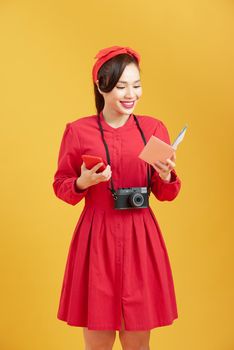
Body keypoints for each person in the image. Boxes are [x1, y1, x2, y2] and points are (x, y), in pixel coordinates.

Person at [52, 45, 182, 350]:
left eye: (136, 85)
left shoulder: (153, 129)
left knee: (138, 342)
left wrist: (165, 176)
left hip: (141, 238)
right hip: (97, 238)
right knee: (97, 342)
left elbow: (166, 193)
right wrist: (82, 183)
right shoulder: (78, 131)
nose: (130, 94)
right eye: (122, 86)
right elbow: (61, 184)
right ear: (101, 85)